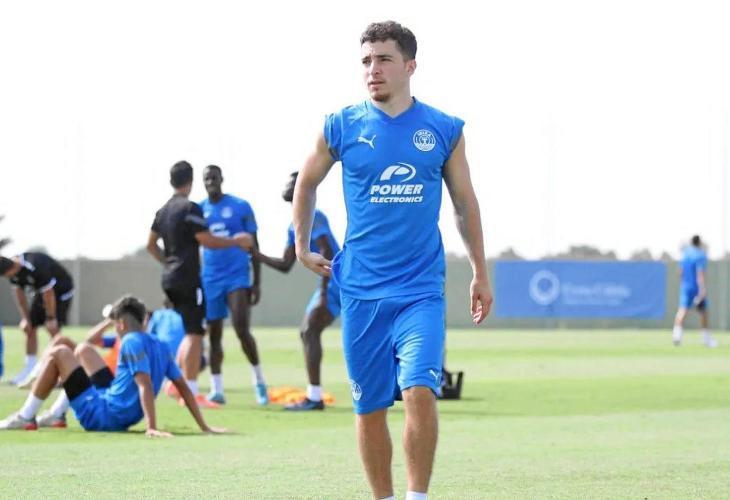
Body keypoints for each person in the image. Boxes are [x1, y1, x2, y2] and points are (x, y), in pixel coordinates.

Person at [292, 21, 493, 499]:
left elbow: (464, 204)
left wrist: (480, 272)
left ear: (410, 66)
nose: (373, 70)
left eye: (383, 59)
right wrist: (301, 245)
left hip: (420, 291)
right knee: (369, 409)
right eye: (366, 61)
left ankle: (417, 496)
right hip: (361, 291)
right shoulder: (340, 126)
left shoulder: (443, 129)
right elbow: (306, 183)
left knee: (419, 390)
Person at [0, 295, 225, 436]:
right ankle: (57, 415)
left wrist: (151, 427)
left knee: (59, 352)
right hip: (115, 405)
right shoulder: (161, 345)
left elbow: (145, 385)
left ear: (121, 324)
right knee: (83, 350)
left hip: (103, 416)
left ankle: (25, 417)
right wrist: (204, 426)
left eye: (115, 324)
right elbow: (183, 386)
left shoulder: (130, 341)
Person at [147, 160, 253, 409]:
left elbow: (150, 245)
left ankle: (176, 384)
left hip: (169, 279)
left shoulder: (162, 211)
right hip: (188, 279)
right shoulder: (190, 208)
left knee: (190, 331)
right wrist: (236, 242)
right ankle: (191, 393)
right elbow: (207, 240)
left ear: (171, 181)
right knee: (196, 334)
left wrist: (168, 264)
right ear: (191, 181)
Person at [255, 171, 341, 411]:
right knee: (307, 332)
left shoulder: (315, 216)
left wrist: (323, 292)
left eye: (292, 181)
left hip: (336, 280)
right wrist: (255, 254)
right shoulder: (293, 226)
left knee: (311, 330)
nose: (286, 185)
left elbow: (327, 252)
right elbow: (285, 264)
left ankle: (315, 398)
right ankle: (314, 395)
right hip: (327, 283)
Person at [199, 165, 268, 406]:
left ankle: (259, 381)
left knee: (241, 328)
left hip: (237, 276)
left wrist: (256, 282)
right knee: (214, 334)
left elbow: (254, 246)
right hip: (210, 278)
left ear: (222, 179)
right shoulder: (199, 209)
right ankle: (216, 389)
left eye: (214, 177)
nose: (211, 182)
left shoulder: (240, 206)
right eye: (207, 178)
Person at [0, 252, 74, 385]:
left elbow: (49, 293)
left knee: (53, 328)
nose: (9, 278)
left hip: (61, 291)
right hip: (41, 292)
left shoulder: (35, 266)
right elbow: (19, 293)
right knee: (30, 327)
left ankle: (64, 371)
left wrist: (51, 318)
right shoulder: (11, 270)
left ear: (14, 268)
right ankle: (30, 368)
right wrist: (25, 318)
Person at [672, 235, 718, 347]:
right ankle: (706, 340)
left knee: (682, 310)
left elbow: (680, 272)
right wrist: (702, 289)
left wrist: (684, 284)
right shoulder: (700, 255)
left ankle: (677, 336)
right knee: (704, 313)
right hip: (696, 288)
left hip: (685, 287)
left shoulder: (685, 254)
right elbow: (700, 273)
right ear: (699, 243)